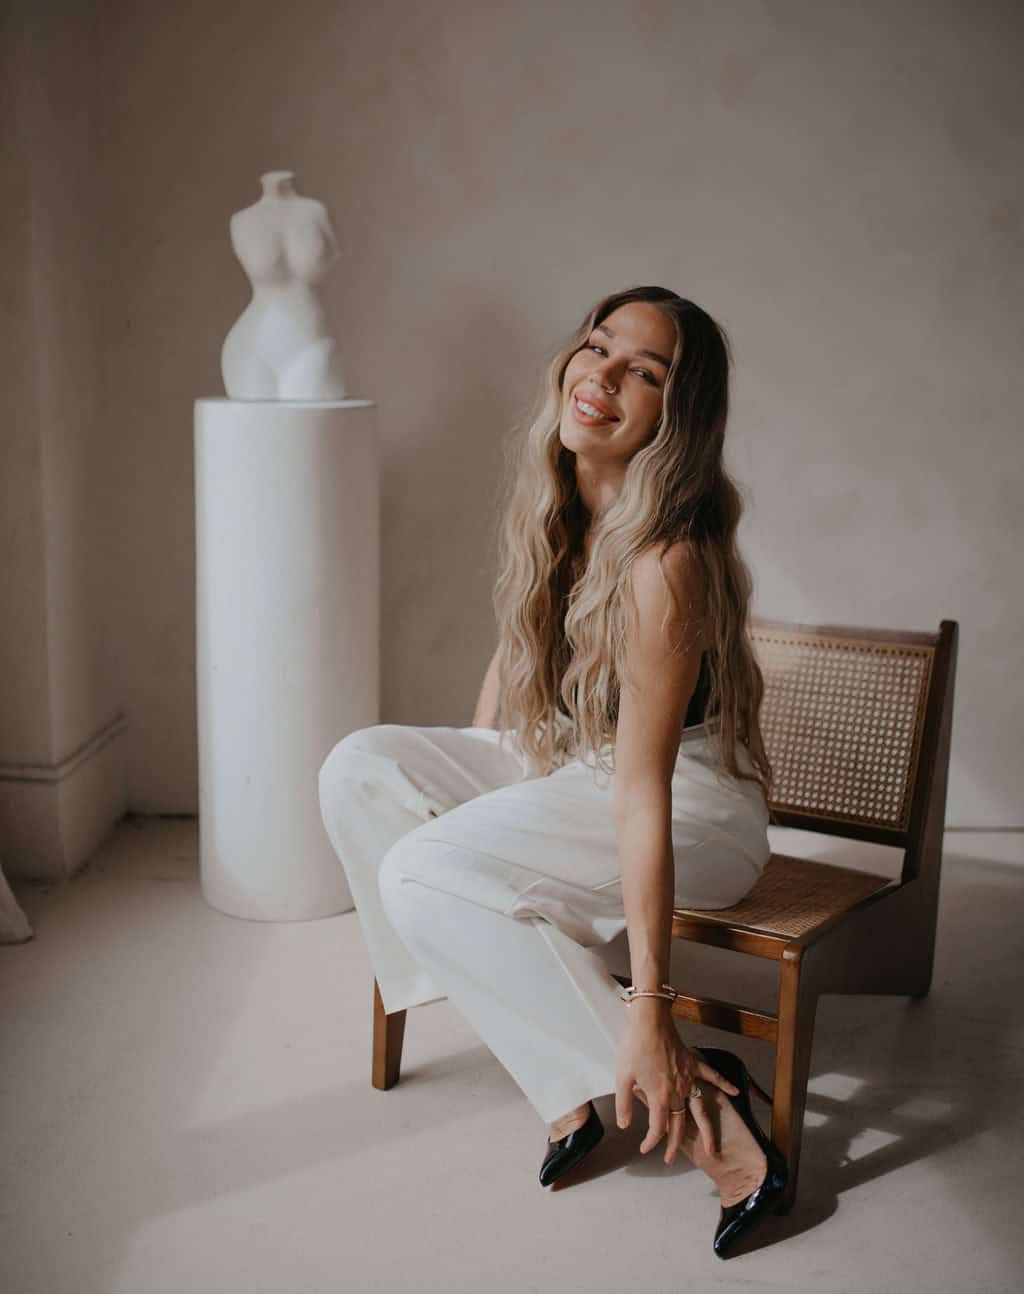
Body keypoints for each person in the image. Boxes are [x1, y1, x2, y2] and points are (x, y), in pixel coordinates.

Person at [318, 284, 786, 1257]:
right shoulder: (560, 496)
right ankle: (559, 1075)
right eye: (597, 346)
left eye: (644, 372)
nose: (602, 376)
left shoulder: (667, 562)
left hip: (690, 806)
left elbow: (642, 790)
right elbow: (517, 658)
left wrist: (652, 1003)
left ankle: (715, 1121)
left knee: (422, 872)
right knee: (359, 768)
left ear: (675, 415)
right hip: (574, 763)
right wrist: (477, 774)